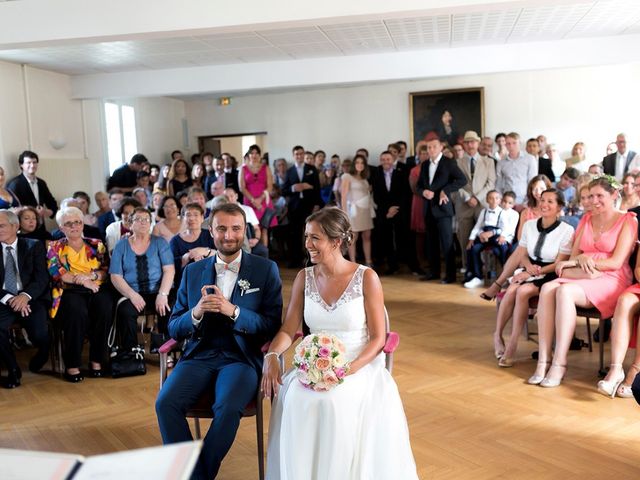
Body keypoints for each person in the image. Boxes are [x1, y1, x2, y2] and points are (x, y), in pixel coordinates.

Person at [262, 207, 417, 479]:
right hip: (314, 363)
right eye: (307, 237)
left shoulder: (366, 278)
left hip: (358, 365)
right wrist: (272, 355)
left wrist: (348, 369)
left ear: (336, 241)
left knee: (334, 402)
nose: (307, 244)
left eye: (315, 238)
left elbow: (378, 338)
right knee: (295, 396)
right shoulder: (304, 278)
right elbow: (289, 329)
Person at [156, 202, 282, 479]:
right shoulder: (191, 272)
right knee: (165, 403)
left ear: (244, 230)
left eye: (236, 229)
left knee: (227, 408)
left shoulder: (265, 269)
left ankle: (196, 475)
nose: (228, 235)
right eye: (221, 229)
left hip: (241, 359)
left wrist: (234, 311)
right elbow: (175, 327)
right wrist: (196, 312)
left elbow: (271, 326)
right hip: (199, 355)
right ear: (210, 232)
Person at [529, 176, 637, 387]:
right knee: (548, 287)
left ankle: (560, 363)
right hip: (582, 273)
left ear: (614, 195)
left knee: (564, 292)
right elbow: (574, 256)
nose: (594, 201)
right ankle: (543, 360)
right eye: (591, 195)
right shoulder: (587, 219)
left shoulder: (628, 220)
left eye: (600, 196)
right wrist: (581, 259)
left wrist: (590, 264)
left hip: (611, 278)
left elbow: (616, 262)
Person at [493, 190, 574, 366]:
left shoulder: (567, 230)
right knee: (513, 288)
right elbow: (521, 253)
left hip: (550, 272)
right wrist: (528, 267)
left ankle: (512, 344)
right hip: (530, 268)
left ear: (559, 207)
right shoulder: (529, 225)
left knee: (521, 290)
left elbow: (559, 263)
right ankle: (497, 335)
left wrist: (531, 273)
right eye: (542, 200)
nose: (544, 204)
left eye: (550, 201)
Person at [47, 206, 113, 382]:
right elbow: (57, 273)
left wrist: (91, 277)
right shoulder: (55, 247)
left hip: (96, 287)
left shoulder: (96, 244)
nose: (74, 226)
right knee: (77, 312)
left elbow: (106, 270)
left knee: (105, 307)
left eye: (77, 222)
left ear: (83, 224)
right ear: (61, 228)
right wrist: (83, 281)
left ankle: (97, 360)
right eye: (68, 224)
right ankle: (72, 364)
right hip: (68, 290)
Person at [110, 207, 174, 351]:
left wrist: (163, 294)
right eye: (138, 219)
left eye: (146, 219)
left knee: (168, 305)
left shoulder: (160, 242)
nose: (143, 222)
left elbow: (169, 270)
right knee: (125, 311)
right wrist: (132, 295)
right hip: (131, 293)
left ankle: (165, 348)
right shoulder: (121, 245)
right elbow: (115, 275)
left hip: (157, 291)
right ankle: (131, 353)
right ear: (130, 224)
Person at [0, 210, 50, 388]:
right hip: (3, 300)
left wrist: (24, 296)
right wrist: (9, 299)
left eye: (1, 226)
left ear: (15, 226)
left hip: (31, 297)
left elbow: (42, 278)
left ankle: (44, 352)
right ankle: (13, 369)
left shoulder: (33, 245)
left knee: (40, 335)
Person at [416, 138, 466, 283]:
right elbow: (419, 186)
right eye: (428, 147)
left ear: (440, 147)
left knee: (447, 243)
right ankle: (434, 272)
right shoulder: (425, 164)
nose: (430, 149)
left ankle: (450, 276)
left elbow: (462, 180)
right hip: (428, 209)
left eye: (433, 147)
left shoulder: (449, 162)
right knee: (431, 243)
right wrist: (423, 192)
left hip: (443, 209)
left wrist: (445, 190)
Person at [455, 130, 496, 277]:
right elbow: (456, 183)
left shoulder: (488, 161)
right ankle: (468, 268)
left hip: (482, 205)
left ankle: (484, 269)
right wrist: (467, 197)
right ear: (464, 145)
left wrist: (477, 198)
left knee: (482, 238)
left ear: (478, 143)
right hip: (464, 205)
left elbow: (491, 183)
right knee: (465, 238)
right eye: (467, 142)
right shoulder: (458, 162)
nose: (470, 144)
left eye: (473, 141)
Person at [463, 190, 517, 288]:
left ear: (500, 200)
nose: (493, 200)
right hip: (484, 235)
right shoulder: (483, 211)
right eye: (491, 198)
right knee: (473, 248)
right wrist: (474, 237)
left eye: (496, 198)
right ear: (487, 200)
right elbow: (478, 226)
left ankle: (506, 275)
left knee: (503, 248)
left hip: (496, 235)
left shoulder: (502, 212)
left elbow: (506, 228)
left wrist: (499, 235)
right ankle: (477, 276)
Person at [282, 145, 322, 268]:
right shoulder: (289, 171)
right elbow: (284, 190)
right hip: (294, 208)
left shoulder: (312, 169)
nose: (299, 156)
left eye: (301, 153)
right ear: (293, 156)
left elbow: (317, 188)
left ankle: (311, 260)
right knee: (294, 234)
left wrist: (316, 203)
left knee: (311, 233)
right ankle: (295, 259)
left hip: (309, 206)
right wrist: (294, 188)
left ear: (304, 154)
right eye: (296, 154)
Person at [169, 202, 215, 288]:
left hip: (210, 281)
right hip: (185, 283)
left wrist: (205, 251)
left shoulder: (210, 235)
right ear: (183, 218)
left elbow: (221, 255)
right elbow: (170, 266)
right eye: (188, 215)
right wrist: (187, 256)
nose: (192, 218)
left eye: (196, 215)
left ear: (202, 218)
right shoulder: (175, 241)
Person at [239, 144, 276, 245]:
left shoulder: (266, 168)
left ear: (260, 155)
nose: (254, 155)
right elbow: (241, 187)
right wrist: (253, 201)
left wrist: (260, 199)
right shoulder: (243, 168)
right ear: (249, 155)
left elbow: (270, 186)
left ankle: (265, 256)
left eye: (256, 153)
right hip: (249, 201)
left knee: (264, 228)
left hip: (263, 201)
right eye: (252, 153)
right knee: (251, 228)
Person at [340, 154, 374, 266]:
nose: (360, 165)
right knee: (353, 237)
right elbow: (343, 196)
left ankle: (368, 262)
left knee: (367, 236)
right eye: (357, 162)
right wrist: (345, 214)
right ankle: (353, 263)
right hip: (353, 211)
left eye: (362, 163)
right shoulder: (347, 176)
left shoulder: (364, 179)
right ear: (354, 164)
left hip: (365, 210)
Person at [7, 150, 57, 224]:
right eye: (28, 162)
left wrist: (45, 212)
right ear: (21, 165)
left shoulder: (41, 183)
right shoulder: (15, 184)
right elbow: (12, 211)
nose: (32, 165)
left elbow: (52, 204)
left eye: (34, 162)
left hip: (40, 226)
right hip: (23, 229)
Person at [495, 133, 538, 204]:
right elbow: (498, 184)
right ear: (505, 145)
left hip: (525, 200)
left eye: (514, 143)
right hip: (506, 201)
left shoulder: (530, 159)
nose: (511, 146)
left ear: (519, 143)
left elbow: (533, 182)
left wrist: (527, 202)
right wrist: (500, 200)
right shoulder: (501, 162)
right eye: (508, 143)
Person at [516, 175, 553, 241]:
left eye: (542, 189)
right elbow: (520, 237)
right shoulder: (525, 212)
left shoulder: (556, 212)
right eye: (535, 189)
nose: (538, 192)